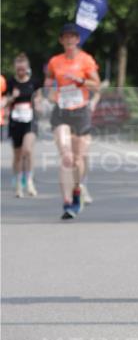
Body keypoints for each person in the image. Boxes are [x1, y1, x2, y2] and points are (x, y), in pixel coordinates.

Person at [45, 24, 101, 220]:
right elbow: (48, 83)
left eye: (72, 38)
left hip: (80, 111)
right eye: (65, 38)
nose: (69, 41)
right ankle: (67, 202)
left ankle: (78, 189)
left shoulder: (86, 60)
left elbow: (97, 84)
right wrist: (49, 94)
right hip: (61, 111)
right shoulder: (55, 62)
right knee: (66, 157)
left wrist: (80, 81)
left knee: (78, 159)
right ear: (61, 40)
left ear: (77, 40)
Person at [6, 53, 42, 197]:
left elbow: (39, 97)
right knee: (18, 155)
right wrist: (11, 97)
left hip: (30, 120)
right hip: (15, 121)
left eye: (23, 69)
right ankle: (18, 182)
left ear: (27, 68)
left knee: (27, 150)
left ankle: (29, 180)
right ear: (15, 69)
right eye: (18, 69)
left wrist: (38, 104)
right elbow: (4, 102)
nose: (21, 72)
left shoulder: (34, 82)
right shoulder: (10, 83)